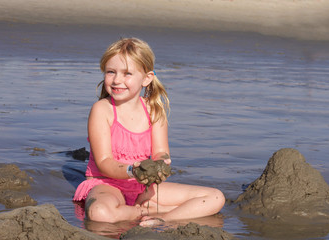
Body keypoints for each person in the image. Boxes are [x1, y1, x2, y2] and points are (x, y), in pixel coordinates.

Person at [73, 37, 225, 227]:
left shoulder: (154, 111)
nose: (117, 80)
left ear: (147, 78)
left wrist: (162, 163)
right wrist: (131, 170)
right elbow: (104, 163)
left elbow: (161, 152)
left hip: (143, 187)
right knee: (99, 213)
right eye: (111, 72)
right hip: (107, 185)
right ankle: (143, 212)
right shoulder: (101, 110)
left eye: (127, 73)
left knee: (215, 197)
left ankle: (162, 218)